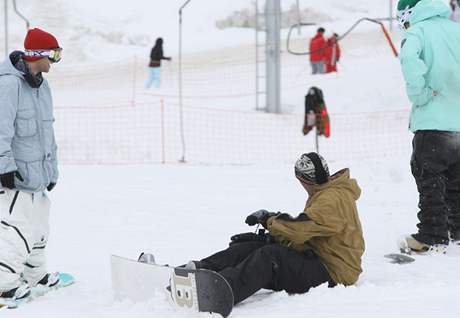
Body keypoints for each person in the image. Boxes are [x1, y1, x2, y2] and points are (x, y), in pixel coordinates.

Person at [141, 152, 364, 305]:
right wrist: (269, 235)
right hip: (319, 257)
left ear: (303, 179)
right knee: (252, 246)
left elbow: (301, 228)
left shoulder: (331, 199)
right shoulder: (326, 193)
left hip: (333, 271)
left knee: (269, 257)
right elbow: (313, 233)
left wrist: (270, 221)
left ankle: (216, 291)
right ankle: (195, 270)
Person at [0, 28, 62, 303]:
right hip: (16, 174)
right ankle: (4, 283)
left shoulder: (42, 85)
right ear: (38, 54)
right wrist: (4, 167)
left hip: (38, 173)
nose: (56, 61)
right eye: (54, 54)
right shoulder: (9, 85)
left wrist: (52, 170)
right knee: (15, 229)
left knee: (39, 226)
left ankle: (35, 274)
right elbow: (1, 129)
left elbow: (47, 132)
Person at [396, 0, 460, 253]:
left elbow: (410, 61)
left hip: (433, 123)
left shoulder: (417, 33)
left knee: (429, 178)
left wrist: (420, 95)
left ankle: (431, 235)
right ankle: (456, 230)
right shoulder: (455, 28)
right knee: (456, 181)